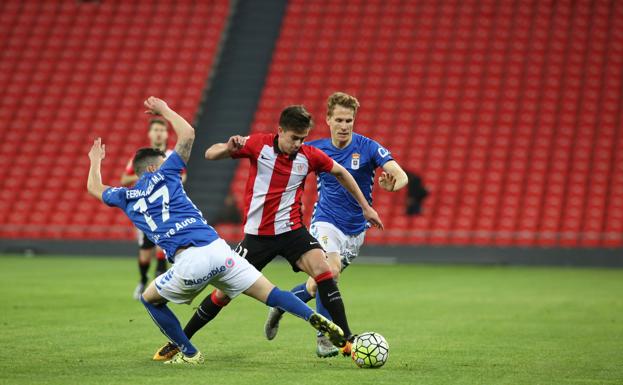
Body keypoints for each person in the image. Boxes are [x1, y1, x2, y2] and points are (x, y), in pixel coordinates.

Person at [86, 97, 345, 365]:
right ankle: (314, 318)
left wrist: (95, 160)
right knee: (272, 293)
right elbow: (188, 132)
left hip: (190, 261)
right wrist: (164, 110)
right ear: (154, 167)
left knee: (150, 298)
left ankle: (188, 353)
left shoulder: (125, 196)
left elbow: (95, 188)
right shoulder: (169, 174)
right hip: (219, 249)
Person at [153, 105, 384, 360]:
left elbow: (341, 172)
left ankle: (347, 340)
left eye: (303, 138)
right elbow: (210, 153)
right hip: (257, 237)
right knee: (223, 294)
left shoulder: (309, 155)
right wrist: (228, 148)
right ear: (280, 130)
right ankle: (180, 341)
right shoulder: (257, 144)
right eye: (294, 138)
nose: (298, 144)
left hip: (293, 231)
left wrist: (366, 207)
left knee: (325, 272)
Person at [264, 92, 409, 357]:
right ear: (328, 120)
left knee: (314, 285)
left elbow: (400, 174)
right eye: (339, 120)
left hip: (355, 230)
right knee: (329, 273)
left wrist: (393, 185)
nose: (344, 126)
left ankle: (283, 304)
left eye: (349, 120)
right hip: (326, 222)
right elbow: (287, 174)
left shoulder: (367, 147)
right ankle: (325, 338)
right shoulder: (315, 149)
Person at [120, 117, 187, 300]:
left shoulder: (171, 155)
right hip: (147, 210)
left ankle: (160, 283)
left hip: (165, 208)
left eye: (161, 130)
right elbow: (124, 180)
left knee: (163, 246)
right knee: (144, 252)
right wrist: (147, 176)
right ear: (150, 133)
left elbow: (183, 177)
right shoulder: (140, 158)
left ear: (166, 134)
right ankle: (142, 280)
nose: (158, 133)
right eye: (155, 130)